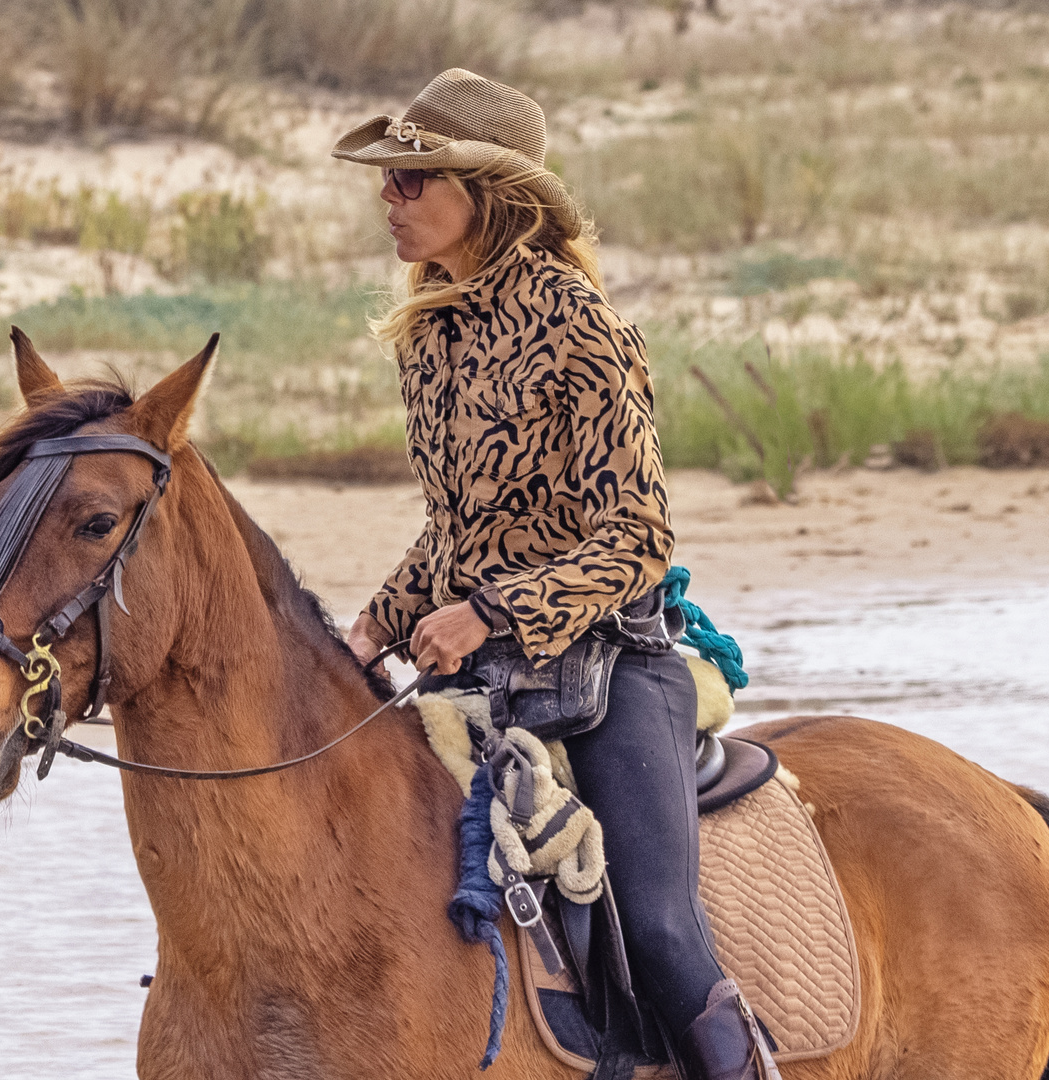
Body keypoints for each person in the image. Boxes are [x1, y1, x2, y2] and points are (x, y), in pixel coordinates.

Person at [334, 69, 779, 1080]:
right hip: (482, 677)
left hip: (613, 670)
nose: (388, 199)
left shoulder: (576, 323)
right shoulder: (431, 331)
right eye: (389, 180)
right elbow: (456, 531)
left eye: (410, 180)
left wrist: (489, 613)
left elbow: (636, 537)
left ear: (484, 194)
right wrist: (369, 629)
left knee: (662, 932)